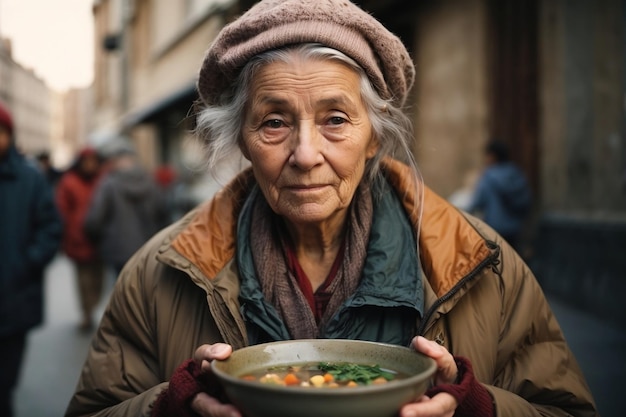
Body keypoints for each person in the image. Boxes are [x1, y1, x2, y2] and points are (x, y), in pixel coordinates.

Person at [65, 1, 597, 416]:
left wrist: (476, 407)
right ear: (242, 141)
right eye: (274, 122)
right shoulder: (158, 274)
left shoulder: (483, 266)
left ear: (374, 138)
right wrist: (169, 406)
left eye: (336, 119)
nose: (305, 154)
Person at [0, 100, 62, 417]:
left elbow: (50, 227)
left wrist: (26, 263)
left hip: (14, 296)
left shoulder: (29, 178)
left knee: (5, 381)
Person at [83, 139, 168, 276]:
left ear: (115, 161)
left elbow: (94, 220)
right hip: (149, 249)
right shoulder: (151, 182)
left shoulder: (109, 184)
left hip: (118, 252)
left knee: (122, 292)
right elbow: (163, 214)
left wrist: (101, 242)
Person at [55, 147, 105, 331]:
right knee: (83, 279)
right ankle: (87, 312)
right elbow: (61, 210)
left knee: (98, 277)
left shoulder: (102, 180)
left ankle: (93, 306)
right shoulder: (69, 182)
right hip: (78, 238)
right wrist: (67, 233)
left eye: (93, 161)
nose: (90, 165)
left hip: (99, 238)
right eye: (87, 161)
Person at [467, 139, 532, 252]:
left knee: (499, 263)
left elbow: (478, 202)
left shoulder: (488, 176)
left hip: (495, 229)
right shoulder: (516, 173)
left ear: (492, 156)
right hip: (515, 228)